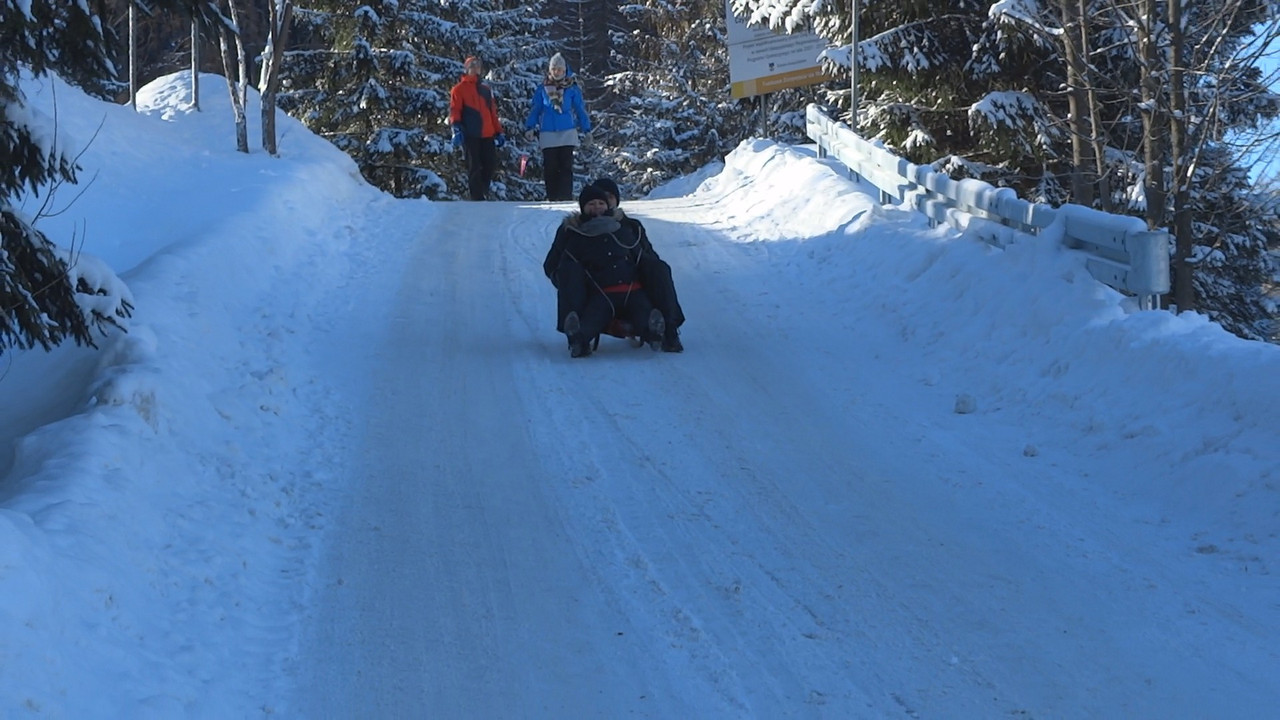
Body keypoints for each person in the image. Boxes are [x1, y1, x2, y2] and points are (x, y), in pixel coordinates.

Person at [544, 184, 664, 358]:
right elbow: (562, 263)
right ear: (583, 208)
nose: (597, 208)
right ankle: (578, 339)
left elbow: (642, 256)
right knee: (593, 319)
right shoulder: (577, 234)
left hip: (631, 289)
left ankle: (654, 333)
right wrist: (567, 283)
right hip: (600, 292)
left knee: (642, 312)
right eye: (591, 204)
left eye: (601, 203)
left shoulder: (623, 229)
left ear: (608, 205)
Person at [589, 177, 685, 352]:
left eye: (610, 197)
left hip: (632, 285)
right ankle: (577, 333)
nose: (605, 202)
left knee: (659, 268)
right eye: (601, 197)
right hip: (595, 287)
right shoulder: (579, 227)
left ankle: (669, 329)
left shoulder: (632, 226)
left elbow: (649, 255)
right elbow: (555, 263)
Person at [524, 53, 592, 201]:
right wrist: (530, 127)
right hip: (548, 132)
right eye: (554, 69)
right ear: (550, 70)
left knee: (566, 167)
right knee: (550, 167)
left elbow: (580, 110)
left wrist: (586, 130)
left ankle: (565, 197)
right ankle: (552, 197)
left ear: (564, 71)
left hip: (567, 131)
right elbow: (536, 109)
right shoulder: (542, 89)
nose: (557, 72)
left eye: (560, 70)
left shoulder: (572, 89)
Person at [449, 56, 506, 200]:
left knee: (490, 164)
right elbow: (455, 110)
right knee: (474, 166)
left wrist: (499, 131)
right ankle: (477, 197)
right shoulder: (458, 90)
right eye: (472, 66)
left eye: (478, 66)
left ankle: (483, 191)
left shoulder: (486, 90)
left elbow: (492, 112)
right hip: (470, 133)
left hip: (488, 133)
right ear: (466, 69)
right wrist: (456, 128)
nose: (475, 69)